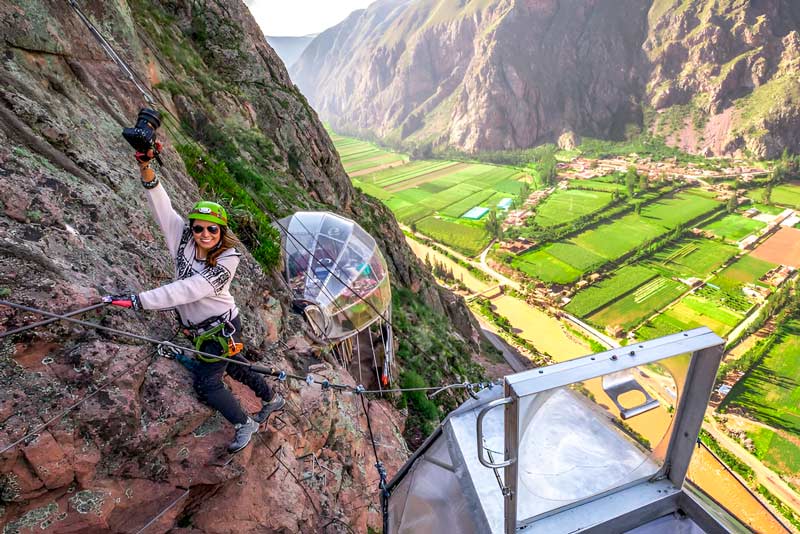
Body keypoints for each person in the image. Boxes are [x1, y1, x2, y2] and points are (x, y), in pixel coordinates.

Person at [106, 145, 284, 453]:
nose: (204, 233)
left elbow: (188, 289)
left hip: (221, 328)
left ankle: (245, 423)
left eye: (211, 229)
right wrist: (146, 166)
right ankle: (271, 398)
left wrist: (139, 300)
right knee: (235, 366)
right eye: (198, 227)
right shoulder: (182, 238)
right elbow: (160, 204)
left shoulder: (228, 260)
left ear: (221, 231)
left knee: (208, 384)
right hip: (204, 329)